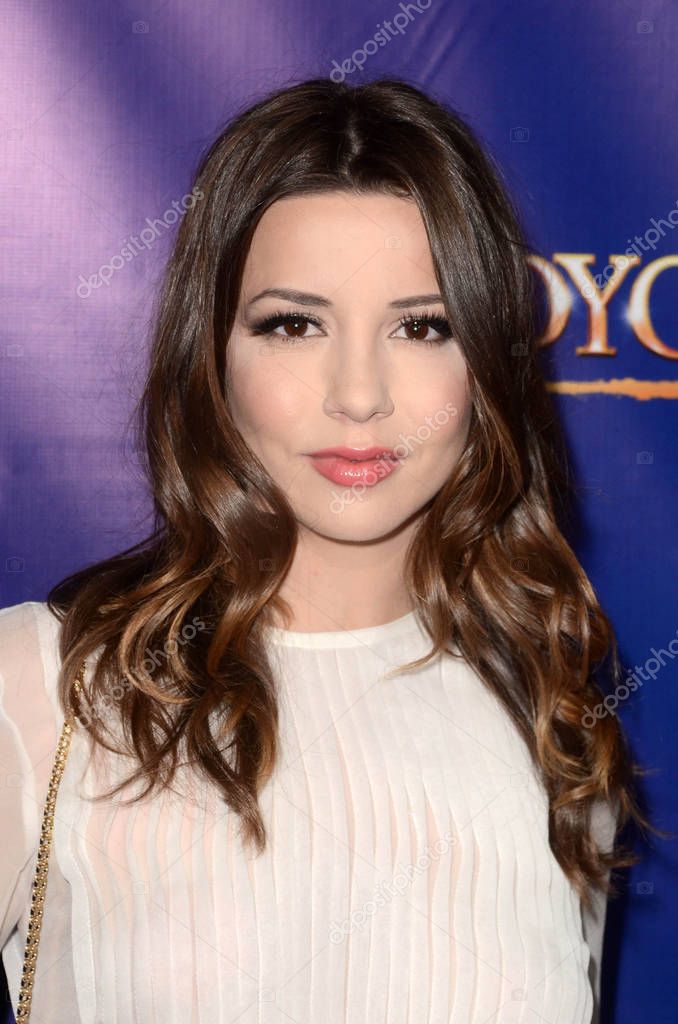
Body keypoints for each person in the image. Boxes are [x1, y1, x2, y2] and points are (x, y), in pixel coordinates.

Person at [0, 76, 656, 1023]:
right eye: (294, 324)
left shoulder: (551, 718)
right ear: (213, 355)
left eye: (421, 326)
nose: (358, 395)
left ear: (486, 363)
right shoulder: (41, 690)